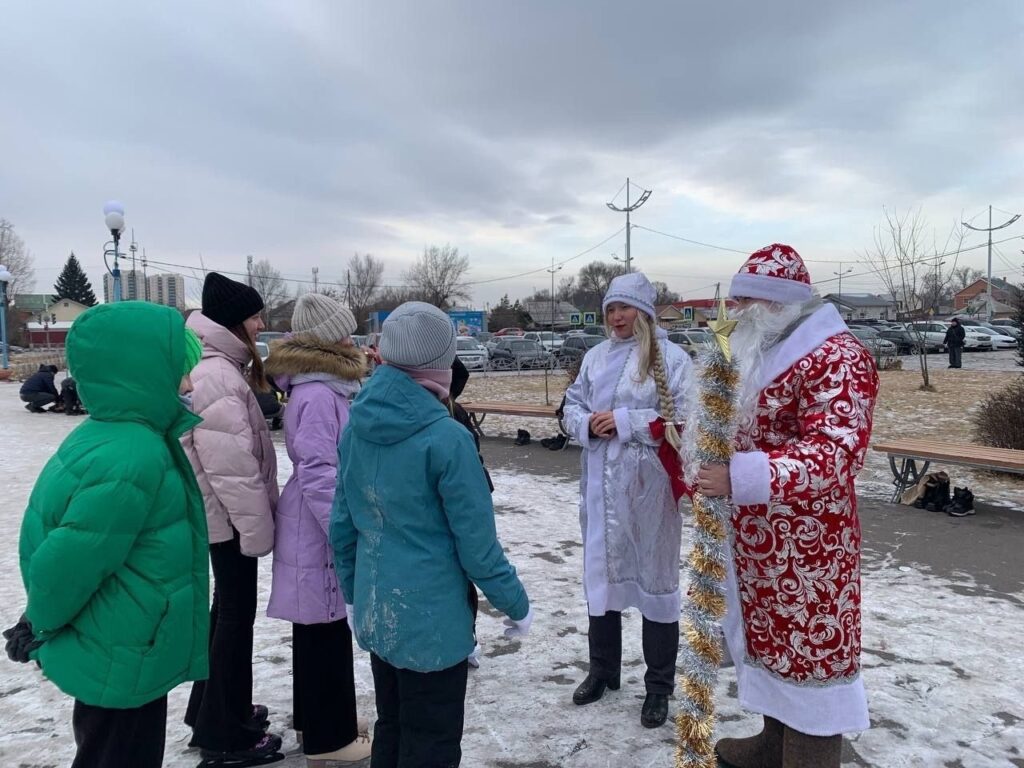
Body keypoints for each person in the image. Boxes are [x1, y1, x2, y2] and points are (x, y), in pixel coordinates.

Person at [694, 244, 879, 768]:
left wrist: (739, 476)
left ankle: (809, 755)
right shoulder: (763, 345)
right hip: (758, 542)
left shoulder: (839, 356)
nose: (734, 311)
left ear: (778, 303)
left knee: (812, 665)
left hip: (811, 549)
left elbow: (835, 453)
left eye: (744, 300)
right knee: (772, 649)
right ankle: (772, 743)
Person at [330, 301, 532, 768]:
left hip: (381, 614)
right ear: (442, 361)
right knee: (433, 742)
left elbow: (342, 524)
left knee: (393, 725)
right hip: (433, 627)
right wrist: (516, 605)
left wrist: (353, 595)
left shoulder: (357, 423)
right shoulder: (447, 438)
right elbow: (478, 549)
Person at [11, 302, 209, 768]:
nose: (190, 385)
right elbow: (69, 559)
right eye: (181, 372)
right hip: (124, 646)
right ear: (145, 374)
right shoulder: (133, 455)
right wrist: (37, 623)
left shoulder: (114, 434)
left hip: (120, 638)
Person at [561, 272, 693, 729]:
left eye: (625, 308)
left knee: (655, 581)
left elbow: (683, 419)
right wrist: (584, 424)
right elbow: (572, 405)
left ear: (646, 312)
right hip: (600, 489)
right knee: (603, 577)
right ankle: (603, 669)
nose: (617, 317)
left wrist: (623, 421)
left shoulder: (671, 359)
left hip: (649, 491)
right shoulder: (595, 357)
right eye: (610, 310)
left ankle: (659, 685)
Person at [264, 293, 373, 766]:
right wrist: (342, 532)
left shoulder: (322, 388)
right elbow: (319, 470)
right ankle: (331, 741)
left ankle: (317, 720)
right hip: (318, 525)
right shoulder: (317, 394)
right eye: (344, 331)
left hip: (313, 522)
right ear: (327, 341)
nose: (352, 339)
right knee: (325, 628)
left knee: (317, 627)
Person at [182, 273, 283, 766]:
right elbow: (232, 467)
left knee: (225, 613)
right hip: (228, 520)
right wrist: (256, 530)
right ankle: (225, 734)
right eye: (255, 316)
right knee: (233, 619)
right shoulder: (216, 375)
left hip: (222, 518)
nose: (261, 324)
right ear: (233, 322)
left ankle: (214, 710)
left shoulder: (215, 365)